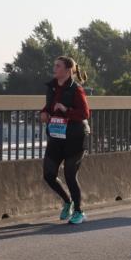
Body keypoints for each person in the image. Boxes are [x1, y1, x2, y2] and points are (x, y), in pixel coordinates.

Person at [40, 56, 91, 225]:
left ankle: (79, 211)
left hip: (75, 137)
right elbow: (48, 107)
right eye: (54, 65)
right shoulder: (52, 88)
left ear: (68, 70)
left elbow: (84, 114)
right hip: (56, 136)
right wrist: (43, 113)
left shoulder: (76, 89)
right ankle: (67, 201)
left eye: (58, 66)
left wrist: (65, 109)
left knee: (70, 174)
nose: (54, 68)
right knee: (48, 174)